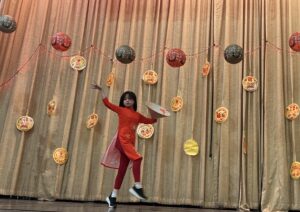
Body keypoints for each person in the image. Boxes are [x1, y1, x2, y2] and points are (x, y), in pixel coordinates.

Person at [91, 83, 157, 208]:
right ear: (123, 100)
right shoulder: (121, 110)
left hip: (129, 142)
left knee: (122, 171)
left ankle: (112, 197)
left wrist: (156, 116)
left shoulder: (137, 115)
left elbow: (150, 121)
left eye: (130, 98)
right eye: (125, 98)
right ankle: (137, 187)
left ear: (134, 101)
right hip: (122, 140)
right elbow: (107, 103)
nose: (127, 100)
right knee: (137, 158)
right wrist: (101, 90)